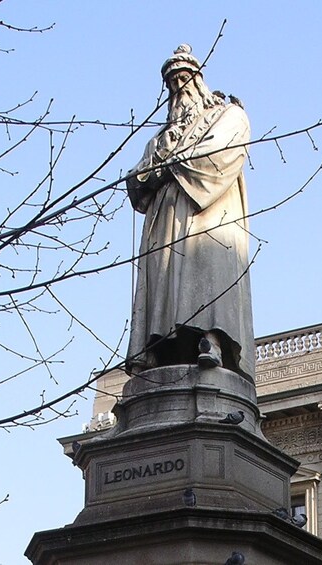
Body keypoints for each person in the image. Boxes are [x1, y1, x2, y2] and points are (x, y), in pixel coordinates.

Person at [125, 44, 254, 381]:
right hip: (164, 226)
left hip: (208, 220)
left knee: (208, 282)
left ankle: (213, 341)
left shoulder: (228, 115)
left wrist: (166, 167)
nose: (178, 88)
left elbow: (217, 155)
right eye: (171, 83)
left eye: (184, 78)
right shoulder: (160, 139)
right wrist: (160, 167)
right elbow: (135, 181)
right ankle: (158, 352)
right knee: (165, 291)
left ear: (199, 80)